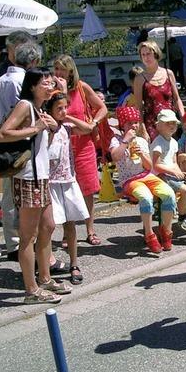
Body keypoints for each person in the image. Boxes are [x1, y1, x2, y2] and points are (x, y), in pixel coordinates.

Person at [0, 67, 72, 304]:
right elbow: (4, 133)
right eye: (46, 83)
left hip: (41, 178)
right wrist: (37, 128)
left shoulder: (40, 109)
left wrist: (47, 127)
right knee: (28, 236)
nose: (50, 86)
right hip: (28, 178)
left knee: (48, 226)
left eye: (51, 83)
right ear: (32, 86)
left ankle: (45, 278)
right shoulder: (25, 106)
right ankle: (31, 290)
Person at [53, 55, 107, 246]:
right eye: (56, 68)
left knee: (87, 189)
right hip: (62, 145)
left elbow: (102, 108)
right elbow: (61, 113)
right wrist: (62, 91)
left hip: (83, 144)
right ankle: (69, 233)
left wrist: (94, 122)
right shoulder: (53, 91)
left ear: (70, 70)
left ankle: (90, 229)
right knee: (66, 188)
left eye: (62, 69)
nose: (58, 73)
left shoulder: (82, 88)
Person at [0, 42, 42, 261]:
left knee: (9, 196)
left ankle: (12, 242)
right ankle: (21, 246)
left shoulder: (0, 80)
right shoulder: (23, 83)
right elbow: (22, 115)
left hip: (3, 149)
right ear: (33, 61)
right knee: (21, 199)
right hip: (20, 146)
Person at [112, 106, 178, 253]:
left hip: (146, 175)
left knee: (169, 194)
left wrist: (142, 155)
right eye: (129, 123)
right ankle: (149, 234)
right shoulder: (117, 140)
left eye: (136, 122)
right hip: (129, 179)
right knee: (146, 197)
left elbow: (150, 166)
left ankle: (166, 231)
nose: (134, 126)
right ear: (122, 125)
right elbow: (115, 157)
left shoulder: (141, 141)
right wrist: (125, 141)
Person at [45, 92, 93, 285]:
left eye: (65, 107)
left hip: (68, 181)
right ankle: (46, 262)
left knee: (71, 225)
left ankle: (74, 263)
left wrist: (68, 116)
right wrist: (51, 126)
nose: (63, 111)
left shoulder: (67, 126)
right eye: (59, 108)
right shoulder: (47, 128)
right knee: (48, 227)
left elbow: (88, 128)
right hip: (50, 182)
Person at [150, 109, 186, 237]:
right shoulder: (158, 143)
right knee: (185, 190)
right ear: (159, 126)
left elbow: (174, 162)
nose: (172, 126)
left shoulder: (173, 142)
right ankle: (178, 215)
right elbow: (156, 165)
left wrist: (180, 172)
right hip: (161, 176)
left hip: (172, 174)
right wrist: (174, 172)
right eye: (168, 123)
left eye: (173, 123)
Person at [133, 41, 185, 142]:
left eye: (148, 54)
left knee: (174, 153)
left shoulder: (168, 73)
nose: (146, 57)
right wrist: (142, 128)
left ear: (156, 54)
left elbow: (176, 98)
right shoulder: (139, 79)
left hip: (171, 123)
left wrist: (183, 116)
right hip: (152, 125)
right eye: (143, 55)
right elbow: (138, 107)